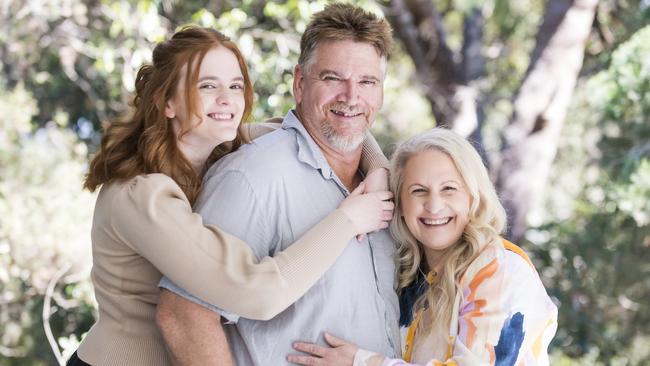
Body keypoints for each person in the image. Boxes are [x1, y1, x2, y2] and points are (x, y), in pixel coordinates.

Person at [67, 26, 395, 366]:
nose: (226, 99)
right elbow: (257, 292)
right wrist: (348, 220)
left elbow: (339, 124)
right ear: (167, 101)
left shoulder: (219, 145)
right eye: (207, 85)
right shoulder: (142, 195)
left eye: (235, 86)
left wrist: (378, 170)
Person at [156, 3, 401, 365]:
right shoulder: (253, 176)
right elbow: (182, 313)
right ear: (300, 83)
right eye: (333, 78)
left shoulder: (384, 183)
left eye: (367, 82)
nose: (351, 97)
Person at [288, 128, 558, 366]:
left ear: (473, 197)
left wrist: (361, 362)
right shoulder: (409, 274)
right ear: (401, 204)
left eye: (449, 189)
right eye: (418, 191)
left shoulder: (500, 271)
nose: (434, 206)